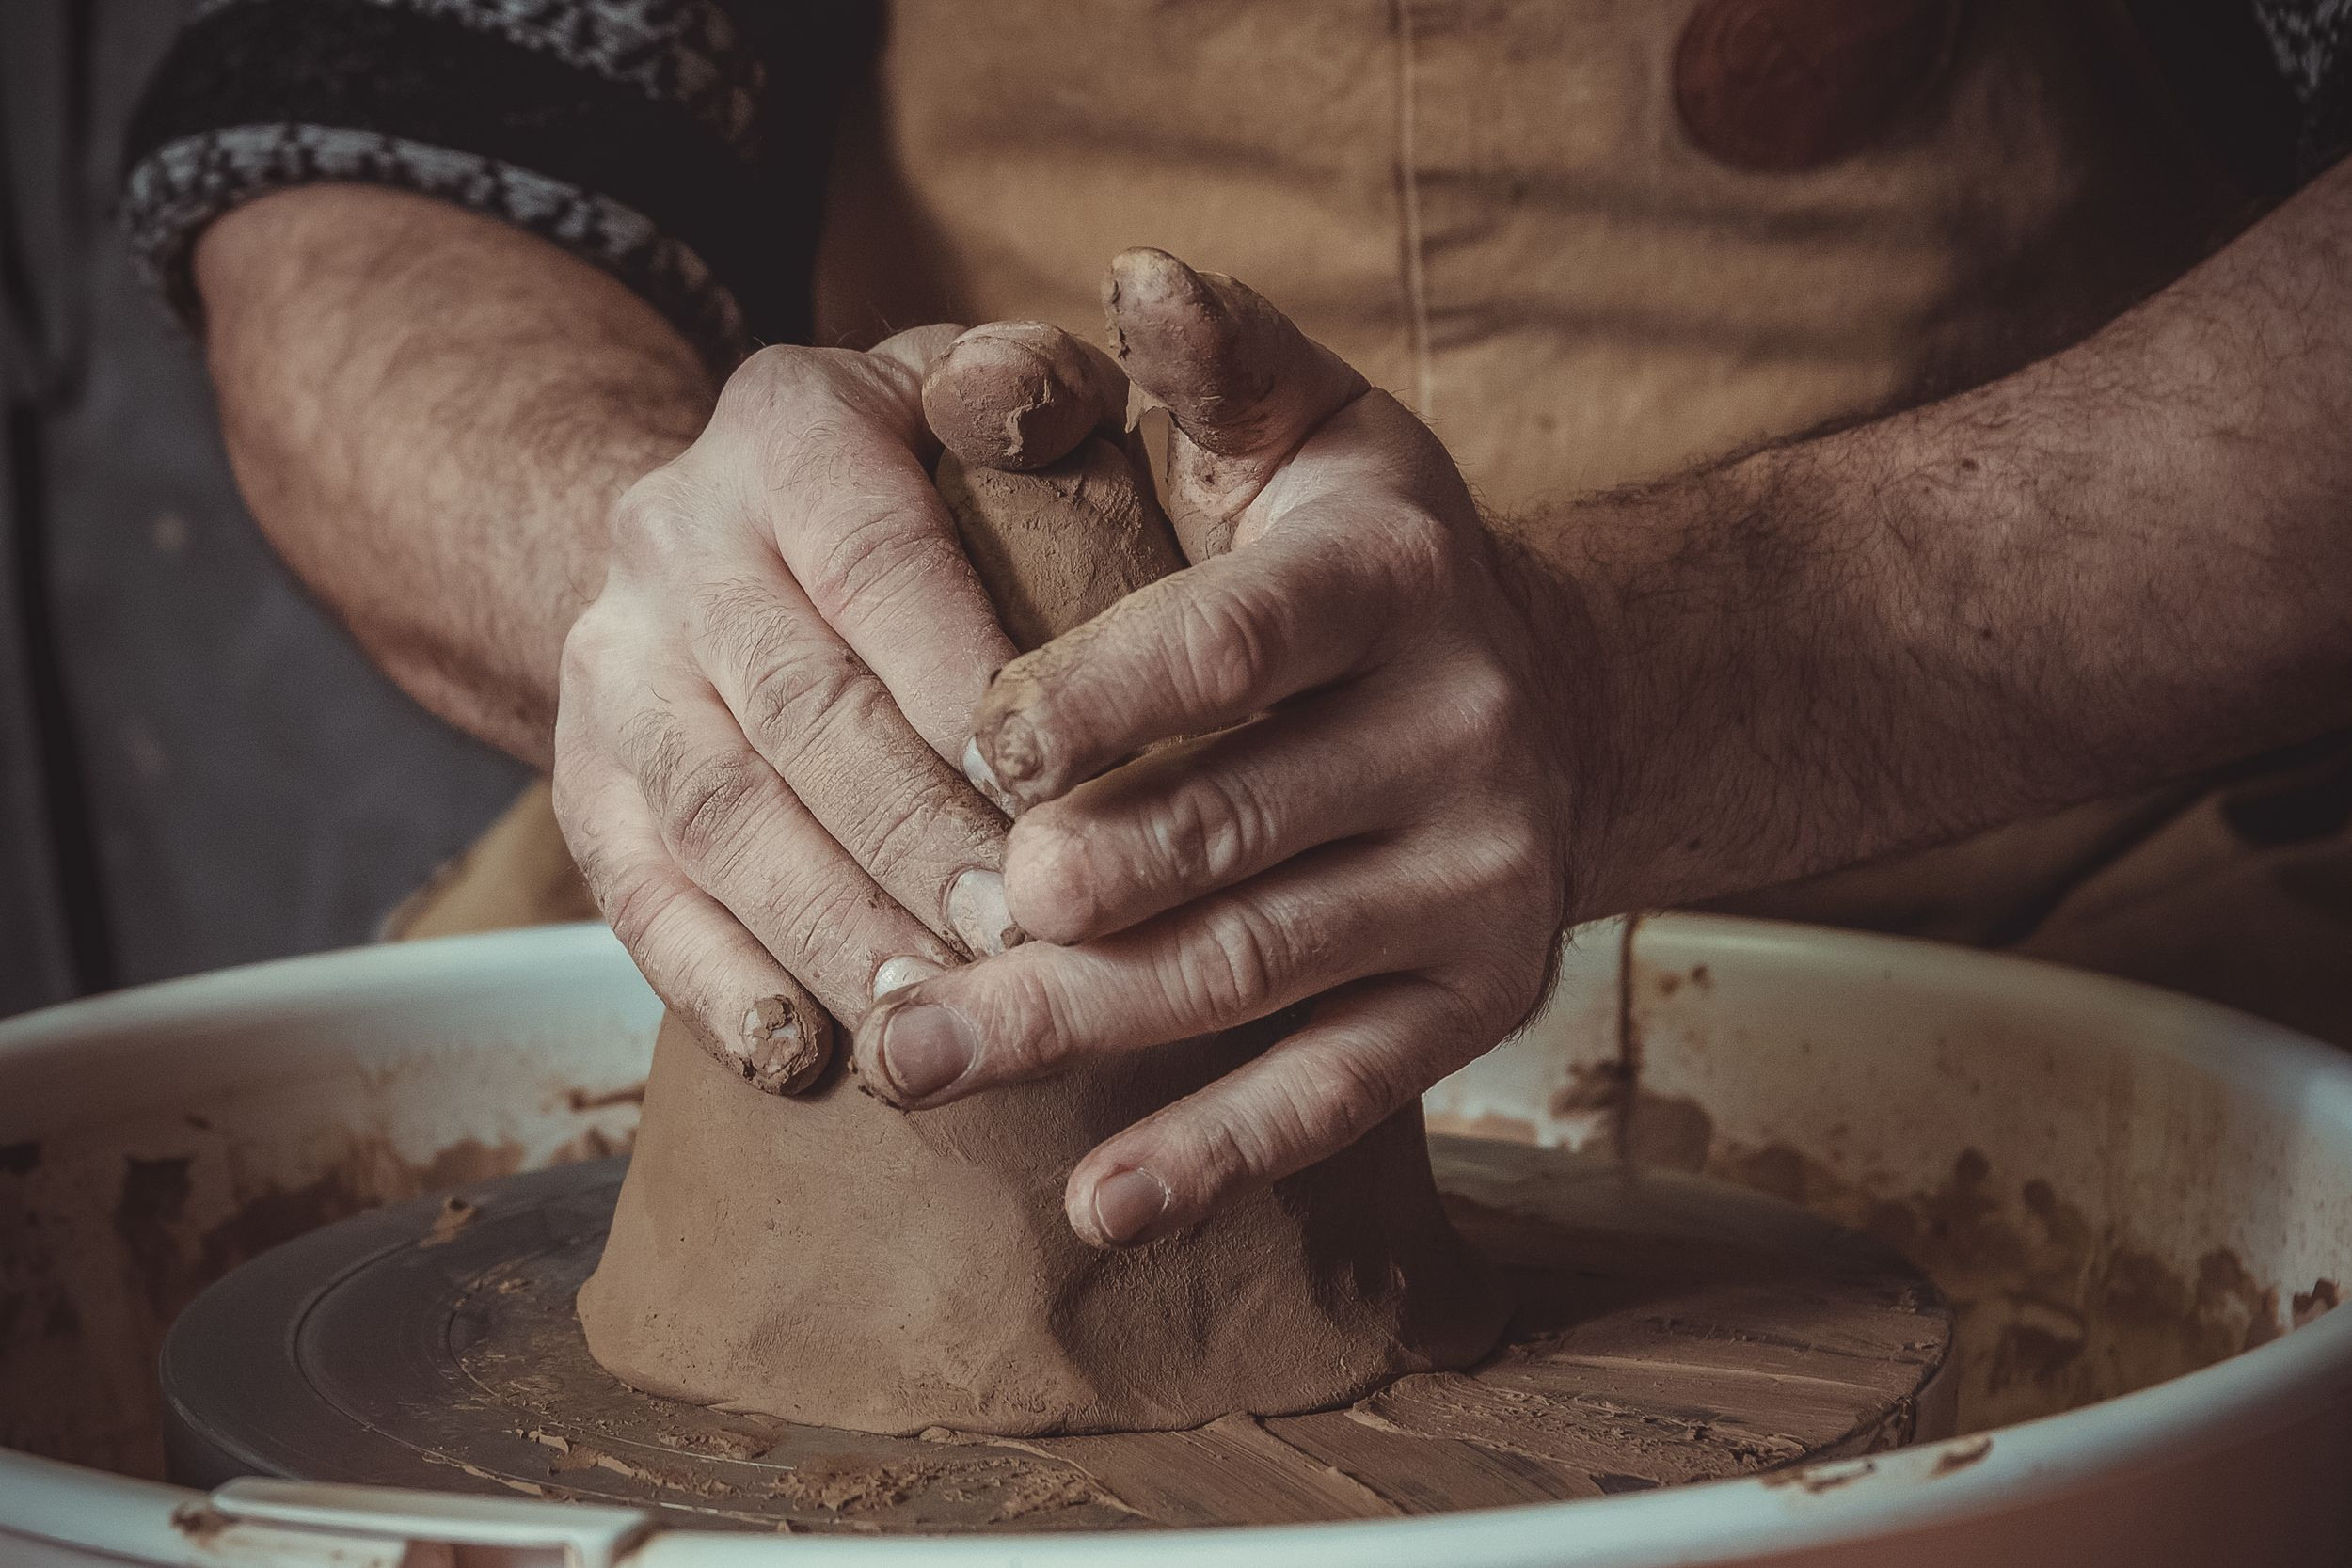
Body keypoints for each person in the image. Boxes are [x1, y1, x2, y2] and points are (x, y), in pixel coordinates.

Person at [124, 1, 2352, 1246]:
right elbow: (370, 154)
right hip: (906, 819)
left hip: (1991, 776)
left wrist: (1613, 693)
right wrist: (660, 584)